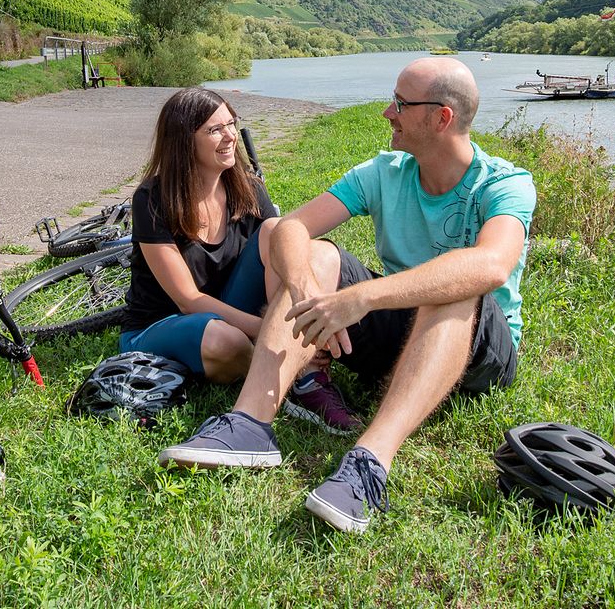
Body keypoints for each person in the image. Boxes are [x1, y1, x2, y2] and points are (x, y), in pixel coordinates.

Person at [157, 59, 536, 534]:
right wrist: (305, 288)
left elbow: (491, 265)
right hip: (401, 337)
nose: (387, 112)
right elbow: (291, 226)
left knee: (457, 282)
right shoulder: (385, 172)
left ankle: (370, 463)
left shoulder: (504, 183)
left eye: (401, 103)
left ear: (440, 117)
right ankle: (249, 425)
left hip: (481, 355)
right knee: (314, 254)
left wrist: (362, 298)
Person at [119, 88, 360, 432]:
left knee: (277, 231)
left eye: (232, 124)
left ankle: (307, 377)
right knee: (225, 341)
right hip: (162, 322)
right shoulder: (153, 199)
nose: (231, 135)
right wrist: (267, 332)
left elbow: (278, 255)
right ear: (184, 141)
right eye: (214, 129)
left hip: (229, 309)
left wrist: (296, 325)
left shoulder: (246, 187)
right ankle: (285, 370)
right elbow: (188, 301)